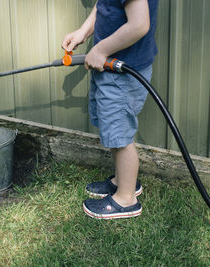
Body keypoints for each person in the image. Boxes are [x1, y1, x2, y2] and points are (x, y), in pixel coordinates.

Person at [61, 0, 159, 219]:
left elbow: (139, 24)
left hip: (122, 73)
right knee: (113, 129)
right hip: (111, 68)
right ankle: (124, 182)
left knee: (120, 135)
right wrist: (83, 32)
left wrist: (100, 49)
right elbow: (105, 5)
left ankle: (126, 200)